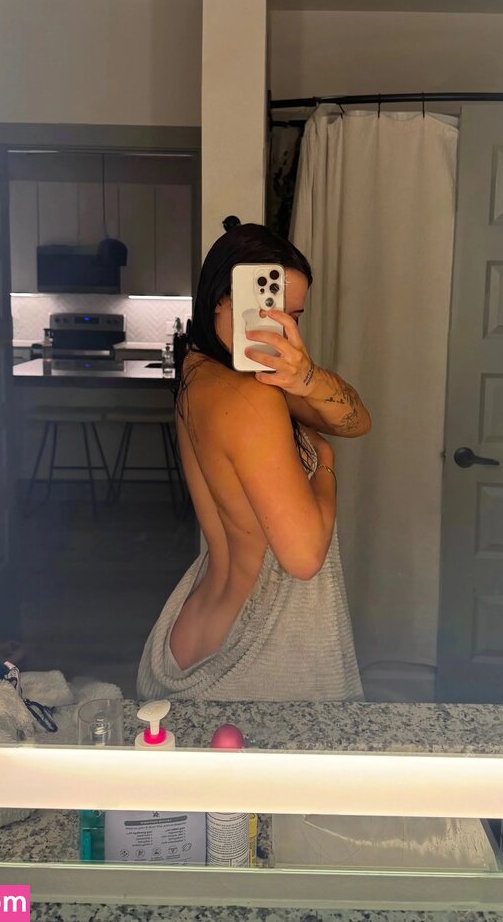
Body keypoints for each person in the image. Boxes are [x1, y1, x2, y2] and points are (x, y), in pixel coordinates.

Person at [137, 221, 371, 701]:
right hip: (257, 642)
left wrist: (305, 376)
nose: (281, 328)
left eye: (294, 316)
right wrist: (325, 465)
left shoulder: (197, 370)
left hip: (195, 621)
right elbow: (303, 558)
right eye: (267, 308)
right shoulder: (253, 399)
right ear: (222, 299)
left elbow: (356, 421)